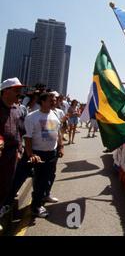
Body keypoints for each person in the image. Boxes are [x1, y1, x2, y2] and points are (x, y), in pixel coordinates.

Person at [24, 92, 64, 218]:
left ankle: (45, 195)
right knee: (40, 180)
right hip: (38, 154)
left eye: (55, 100)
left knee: (50, 176)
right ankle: (35, 207)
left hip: (52, 153)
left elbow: (58, 132)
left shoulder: (55, 114)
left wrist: (61, 146)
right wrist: (31, 154)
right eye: (51, 100)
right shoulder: (32, 117)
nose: (54, 102)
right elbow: (28, 138)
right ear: (42, 102)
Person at [0, 78, 27, 230]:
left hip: (11, 155)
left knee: (5, 185)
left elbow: (19, 131)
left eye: (19, 90)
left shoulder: (17, 110)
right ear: (5, 91)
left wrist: (19, 149)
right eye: (16, 90)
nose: (19, 93)